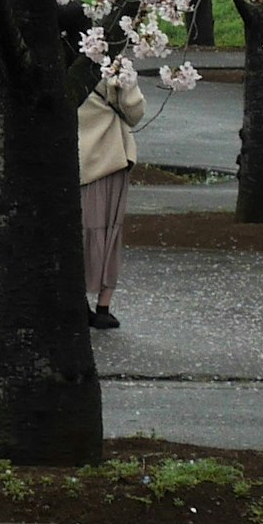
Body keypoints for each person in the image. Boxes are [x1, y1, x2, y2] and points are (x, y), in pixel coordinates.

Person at [76, 56, 146, 330]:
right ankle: (103, 306)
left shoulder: (56, 62)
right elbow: (134, 110)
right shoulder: (113, 64)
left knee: (79, 231)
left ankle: (76, 299)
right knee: (108, 231)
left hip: (71, 159)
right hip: (109, 158)